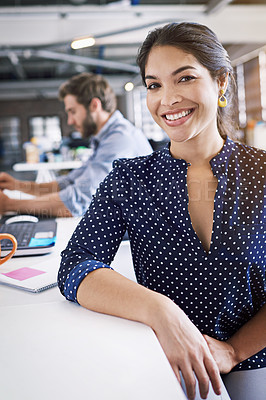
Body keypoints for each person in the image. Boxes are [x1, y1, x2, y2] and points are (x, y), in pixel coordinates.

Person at [57, 23, 265, 400]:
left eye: (183, 78)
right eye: (154, 85)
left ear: (220, 82)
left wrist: (233, 351)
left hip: (254, 360)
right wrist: (160, 311)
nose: (166, 100)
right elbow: (75, 265)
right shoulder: (130, 179)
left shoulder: (262, 173)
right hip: (161, 360)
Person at [0, 73, 152, 217]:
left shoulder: (120, 139)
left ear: (94, 105)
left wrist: (9, 205)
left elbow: (78, 201)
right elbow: (68, 184)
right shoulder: (104, 138)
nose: (70, 121)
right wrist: (17, 185)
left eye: (72, 112)